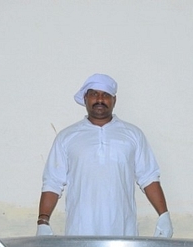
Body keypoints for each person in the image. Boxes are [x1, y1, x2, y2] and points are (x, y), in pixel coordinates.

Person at [37, 73, 173, 237]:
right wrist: (43, 222)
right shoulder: (67, 137)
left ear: (114, 100)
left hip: (123, 233)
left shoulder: (133, 134)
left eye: (106, 95)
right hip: (79, 232)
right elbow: (52, 182)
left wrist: (164, 216)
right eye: (94, 94)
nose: (99, 99)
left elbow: (149, 177)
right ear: (86, 98)